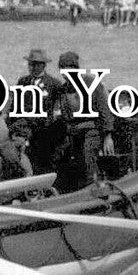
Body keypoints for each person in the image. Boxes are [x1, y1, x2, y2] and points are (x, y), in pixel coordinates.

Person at [50, 51, 115, 191]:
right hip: (73, 133)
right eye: (62, 69)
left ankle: (94, 186)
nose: (65, 73)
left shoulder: (91, 83)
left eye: (69, 69)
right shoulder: (63, 90)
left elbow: (104, 110)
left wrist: (108, 136)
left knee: (88, 156)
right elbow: (61, 114)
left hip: (92, 130)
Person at [14, 50, 62, 175]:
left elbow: (58, 107)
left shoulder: (54, 84)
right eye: (30, 64)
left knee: (43, 160)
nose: (32, 68)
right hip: (25, 127)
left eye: (35, 64)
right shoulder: (23, 82)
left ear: (43, 65)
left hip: (44, 130)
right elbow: (15, 105)